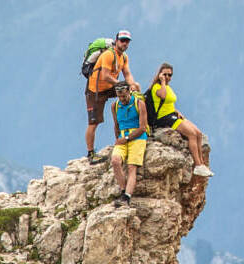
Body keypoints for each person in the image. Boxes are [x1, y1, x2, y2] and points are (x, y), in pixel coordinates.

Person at [147, 62, 213, 178]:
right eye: (165, 74)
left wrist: (176, 111)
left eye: (170, 75)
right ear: (160, 74)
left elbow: (168, 102)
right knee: (191, 134)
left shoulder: (168, 87)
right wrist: (162, 81)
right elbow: (162, 96)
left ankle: (202, 164)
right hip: (163, 118)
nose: (168, 77)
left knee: (198, 133)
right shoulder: (156, 87)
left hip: (172, 114)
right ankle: (197, 165)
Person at [83, 28, 137, 165]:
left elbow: (127, 73)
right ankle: (91, 154)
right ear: (117, 41)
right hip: (95, 91)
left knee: (135, 89)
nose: (125, 44)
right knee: (93, 123)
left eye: (127, 41)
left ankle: (138, 126)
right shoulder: (108, 55)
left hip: (110, 87)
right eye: (122, 41)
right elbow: (104, 76)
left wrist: (131, 85)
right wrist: (121, 84)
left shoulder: (124, 57)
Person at [109, 81, 149, 205]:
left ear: (129, 92)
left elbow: (143, 127)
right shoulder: (115, 106)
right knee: (115, 161)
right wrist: (118, 139)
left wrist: (126, 139)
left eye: (124, 96)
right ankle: (123, 190)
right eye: (119, 96)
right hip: (122, 136)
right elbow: (116, 125)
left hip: (138, 137)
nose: (122, 99)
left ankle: (127, 197)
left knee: (132, 167)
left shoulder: (139, 104)